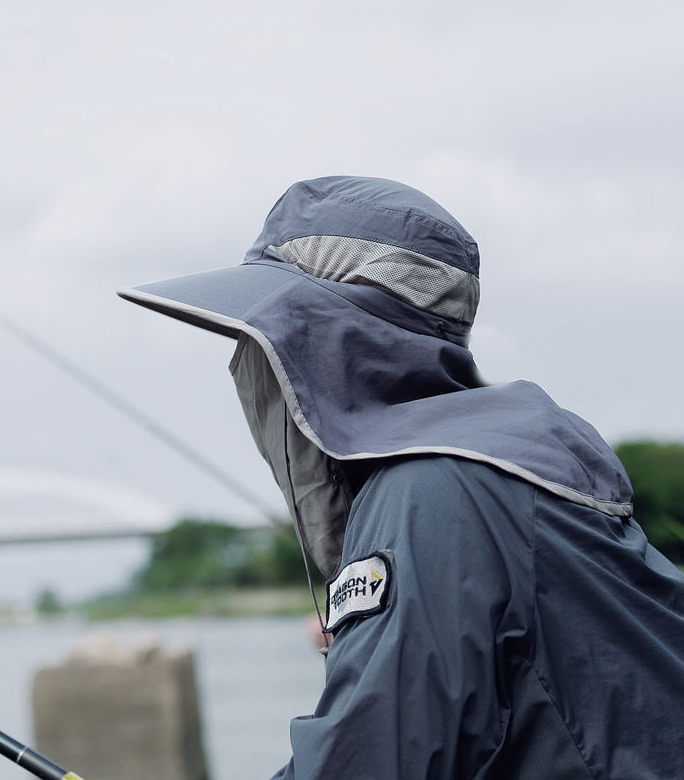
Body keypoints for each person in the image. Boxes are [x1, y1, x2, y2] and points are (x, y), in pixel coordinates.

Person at [119, 176, 684, 779]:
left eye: (262, 336)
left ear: (324, 345)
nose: (245, 363)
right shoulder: (512, 463)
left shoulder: (435, 492)